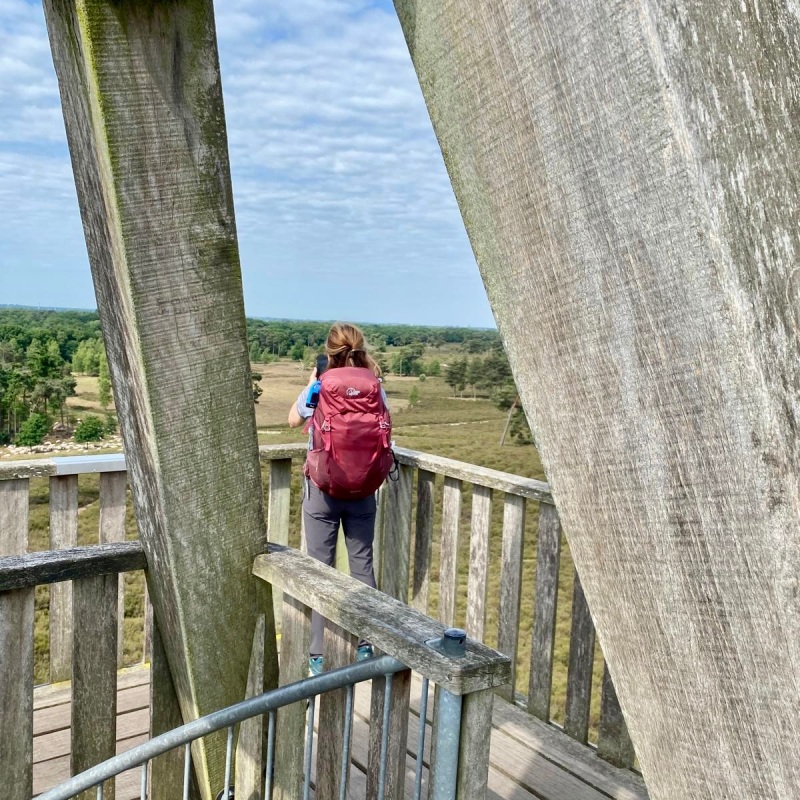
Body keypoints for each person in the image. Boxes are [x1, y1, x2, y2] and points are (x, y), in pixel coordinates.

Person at [288, 322, 390, 675]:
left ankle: (318, 654)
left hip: (323, 488)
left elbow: (291, 420)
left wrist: (311, 385)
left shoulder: (320, 385)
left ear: (328, 351)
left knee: (320, 567)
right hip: (364, 488)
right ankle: (366, 644)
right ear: (361, 349)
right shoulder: (374, 386)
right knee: (362, 565)